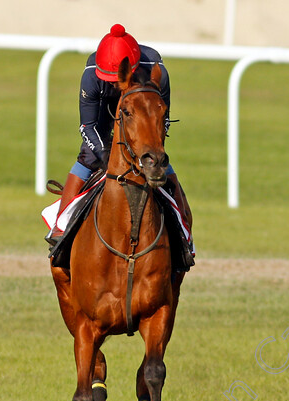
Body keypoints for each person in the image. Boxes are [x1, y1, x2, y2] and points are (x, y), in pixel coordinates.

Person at [47, 24, 192, 248]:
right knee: (88, 156)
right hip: (105, 113)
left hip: (142, 102)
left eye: (116, 78)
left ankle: (184, 234)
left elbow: (161, 120)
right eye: (108, 78)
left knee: (158, 158)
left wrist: (150, 151)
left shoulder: (156, 70)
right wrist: (106, 156)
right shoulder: (92, 77)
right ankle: (61, 227)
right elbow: (88, 125)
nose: (114, 83)